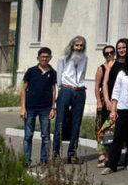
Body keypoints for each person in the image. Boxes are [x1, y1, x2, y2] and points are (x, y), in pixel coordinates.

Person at [52, 35, 88, 164]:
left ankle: (72, 153)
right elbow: (59, 74)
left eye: (81, 45)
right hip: (66, 89)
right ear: (72, 45)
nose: (78, 48)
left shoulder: (85, 58)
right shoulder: (64, 57)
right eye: (76, 45)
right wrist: (62, 87)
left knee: (76, 123)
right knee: (60, 122)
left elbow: (82, 74)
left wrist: (80, 86)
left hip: (80, 91)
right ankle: (55, 153)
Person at [20, 46, 56, 166]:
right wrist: (23, 108)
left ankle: (44, 160)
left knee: (45, 135)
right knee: (28, 135)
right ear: (38, 58)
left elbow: (53, 90)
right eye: (42, 57)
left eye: (47, 57)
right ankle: (26, 161)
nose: (44, 59)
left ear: (50, 58)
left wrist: (53, 107)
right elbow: (24, 89)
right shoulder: (31, 71)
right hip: (30, 108)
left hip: (45, 109)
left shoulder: (52, 72)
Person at [93, 44, 115, 167]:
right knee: (101, 126)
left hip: (114, 99)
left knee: (111, 126)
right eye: (107, 53)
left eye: (111, 52)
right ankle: (101, 152)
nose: (109, 55)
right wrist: (99, 101)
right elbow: (96, 86)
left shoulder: (117, 66)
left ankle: (110, 153)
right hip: (103, 99)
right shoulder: (101, 68)